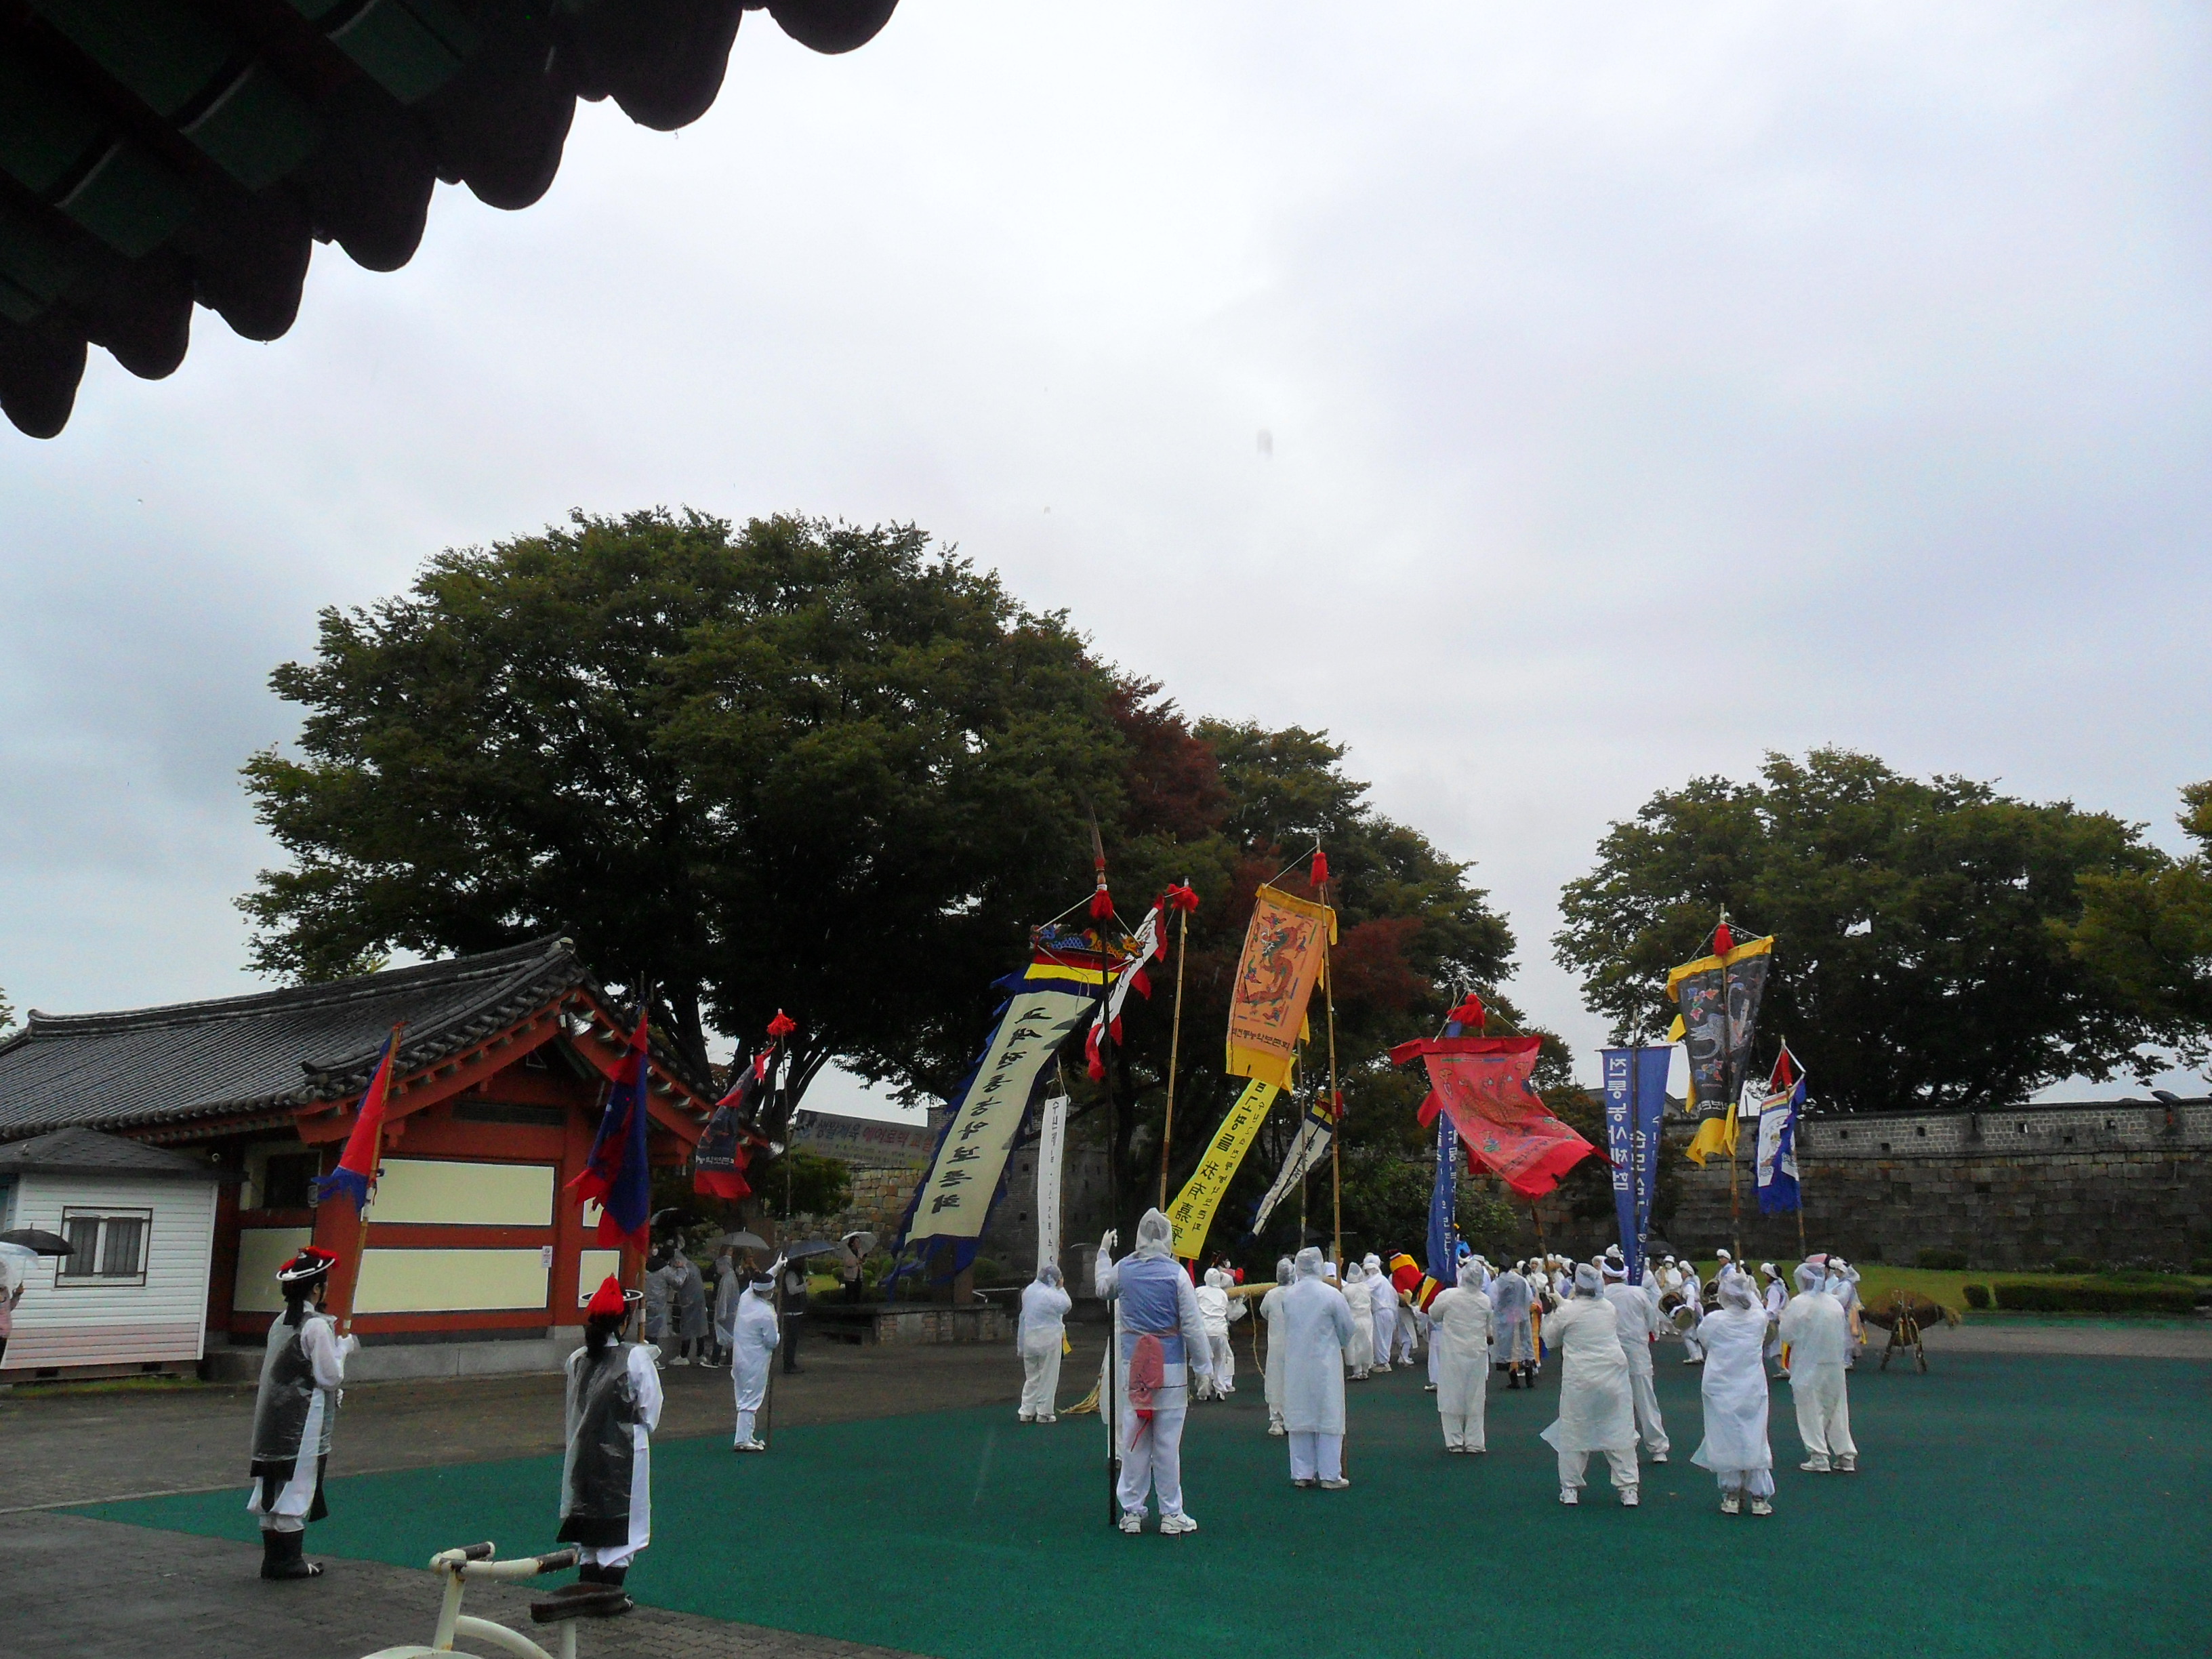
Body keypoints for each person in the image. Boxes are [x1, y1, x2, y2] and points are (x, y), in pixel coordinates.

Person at [1096, 1210, 1214, 1535]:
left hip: (1134, 1368)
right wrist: (1204, 1368)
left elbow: (1103, 1289)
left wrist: (1104, 1254)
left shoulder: (1123, 1269)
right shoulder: (1177, 1274)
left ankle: (1132, 1511)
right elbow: (1192, 1325)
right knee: (1166, 1445)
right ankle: (1171, 1513)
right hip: (1170, 1370)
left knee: (1135, 1441)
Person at [246, 1246, 354, 1580]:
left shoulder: (279, 1323)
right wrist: (343, 1349)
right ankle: (287, 1562)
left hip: (272, 1419)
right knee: (297, 1483)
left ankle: (275, 1560)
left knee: (274, 1485)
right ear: (317, 1289)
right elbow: (329, 1377)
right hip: (302, 1420)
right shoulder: (316, 1327)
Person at [556, 1276, 663, 1607]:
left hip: (585, 1448)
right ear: (624, 1321)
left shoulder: (577, 1358)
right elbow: (650, 1411)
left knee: (588, 1518)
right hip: (627, 1451)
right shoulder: (636, 1359)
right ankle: (608, 1596)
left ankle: (588, 1589)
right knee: (624, 1525)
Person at [1539, 1264, 1640, 1507]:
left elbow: (1551, 1339)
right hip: (1613, 1378)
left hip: (1581, 1380)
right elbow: (1584, 1313)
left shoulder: (1568, 1312)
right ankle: (1628, 1488)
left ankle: (1570, 1488)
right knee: (1618, 1429)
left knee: (1575, 1431)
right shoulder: (1608, 1308)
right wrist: (1562, 1304)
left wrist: (1551, 1312)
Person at [1690, 1273, 1775, 1515]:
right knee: (1754, 1436)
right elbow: (1759, 1312)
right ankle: (1759, 1496)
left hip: (1721, 1387)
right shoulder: (1758, 1319)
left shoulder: (1714, 1320)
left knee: (1724, 1436)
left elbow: (1704, 1340)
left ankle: (1731, 1493)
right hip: (1751, 1388)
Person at [1279, 1247, 1357, 1488]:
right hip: (1325, 1363)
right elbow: (1347, 1328)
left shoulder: (1289, 1296)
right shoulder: (1332, 1295)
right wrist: (1337, 1344)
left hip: (1296, 1362)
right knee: (1329, 1415)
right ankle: (1330, 1474)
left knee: (1300, 1414)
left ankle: (1302, 1472)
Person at [1779, 1263, 1858, 1473]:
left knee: (1810, 1409)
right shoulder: (1834, 1304)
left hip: (1808, 1364)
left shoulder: (1799, 1303)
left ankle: (1819, 1456)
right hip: (1834, 1363)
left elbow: (1786, 1333)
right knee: (1837, 1409)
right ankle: (1846, 1455)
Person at [1601, 1258, 1668, 1463]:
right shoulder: (1639, 1293)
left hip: (1611, 1356)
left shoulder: (1601, 1297)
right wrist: (1648, 1335)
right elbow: (1652, 1322)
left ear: (1604, 1276)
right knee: (1646, 1401)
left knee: (1616, 1402)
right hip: (1637, 1354)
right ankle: (1658, 1448)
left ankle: (1623, 1445)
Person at [1426, 1262, 1492, 1453]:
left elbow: (1434, 1314)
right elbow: (1488, 1327)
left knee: (1451, 1395)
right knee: (1475, 1397)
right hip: (1476, 1353)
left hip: (1453, 1353)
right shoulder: (1485, 1301)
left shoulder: (1448, 1296)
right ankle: (1474, 1442)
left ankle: (1454, 1441)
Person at [729, 1265, 780, 1450]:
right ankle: (742, 1439)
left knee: (744, 1396)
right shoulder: (766, 1313)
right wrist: (778, 1335)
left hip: (740, 1358)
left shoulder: (747, 1298)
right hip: (755, 1360)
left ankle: (747, 1435)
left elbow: (758, 1282)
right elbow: (772, 1341)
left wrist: (776, 1267)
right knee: (751, 1399)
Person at [1018, 1262, 1072, 1423]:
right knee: (1048, 1376)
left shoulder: (1028, 1291)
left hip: (1029, 1338)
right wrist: (1061, 1288)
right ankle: (1044, 1413)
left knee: (1032, 1377)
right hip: (1048, 1339)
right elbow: (1067, 1306)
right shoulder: (1051, 1294)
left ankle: (1026, 1411)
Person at [1261, 1256, 1296, 1435]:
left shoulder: (1271, 1295)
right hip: (1296, 1345)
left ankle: (1276, 1420)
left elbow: (1264, 1312)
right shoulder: (1298, 1293)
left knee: (1275, 1380)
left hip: (1276, 1345)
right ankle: (1293, 1419)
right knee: (1294, 1380)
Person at [1490, 1258, 1533, 1389]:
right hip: (1521, 1315)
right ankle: (1529, 1378)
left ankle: (1514, 1380)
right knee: (1524, 1344)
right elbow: (1529, 1298)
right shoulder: (1522, 1280)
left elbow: (1493, 1301)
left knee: (1509, 1346)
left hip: (1505, 1318)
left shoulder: (1497, 1283)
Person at [1195, 1268, 1236, 1399]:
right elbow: (1227, 1312)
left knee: (1204, 1360)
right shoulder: (1222, 1294)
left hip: (1204, 1331)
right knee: (1220, 1360)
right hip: (1220, 1331)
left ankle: (1204, 1390)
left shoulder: (1199, 1291)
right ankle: (1220, 1389)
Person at [671, 1246, 708, 1366]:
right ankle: (700, 1354)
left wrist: (670, 1280)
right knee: (700, 1328)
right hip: (699, 1301)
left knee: (687, 1329)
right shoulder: (694, 1266)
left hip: (688, 1303)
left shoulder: (683, 1270)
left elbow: (678, 1282)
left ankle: (684, 1356)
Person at [1339, 1260, 1376, 1379]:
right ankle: (1366, 1370)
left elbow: (1343, 1306)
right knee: (1367, 1343)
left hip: (1353, 1319)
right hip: (1367, 1319)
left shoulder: (1346, 1290)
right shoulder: (1366, 1287)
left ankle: (1357, 1371)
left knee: (1354, 1345)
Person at [1364, 1254, 1396, 1372]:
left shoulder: (1375, 1280)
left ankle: (1383, 1363)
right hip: (1390, 1311)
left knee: (1379, 1338)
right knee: (1386, 1337)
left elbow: (1363, 1289)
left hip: (1381, 1311)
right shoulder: (1384, 1280)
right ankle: (1384, 1361)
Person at [710, 1247, 741, 1369]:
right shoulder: (731, 1277)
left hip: (726, 1313)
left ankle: (715, 1360)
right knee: (730, 1337)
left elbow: (724, 1298)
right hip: (731, 1312)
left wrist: (721, 1314)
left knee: (720, 1337)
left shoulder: (726, 1280)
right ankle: (730, 1359)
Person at [779, 1254, 810, 1374]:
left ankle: (791, 1362)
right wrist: (805, 1285)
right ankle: (788, 1365)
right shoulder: (791, 1274)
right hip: (791, 1311)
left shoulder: (796, 1274)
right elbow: (792, 1290)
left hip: (796, 1310)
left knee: (793, 1339)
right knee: (790, 1340)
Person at [640, 1247, 672, 1358]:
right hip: (659, 1304)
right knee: (654, 1333)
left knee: (643, 1330)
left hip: (645, 1302)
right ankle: (652, 1358)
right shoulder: (665, 1269)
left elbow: (638, 1280)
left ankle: (643, 1355)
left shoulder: (645, 1265)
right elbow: (677, 1282)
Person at [1760, 1263, 1789, 1377]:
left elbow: (1773, 1308)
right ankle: (1784, 1368)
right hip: (1782, 1319)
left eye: (1766, 1275)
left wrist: (1765, 1317)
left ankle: (1785, 1368)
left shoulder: (1774, 1289)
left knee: (1775, 1346)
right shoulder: (1780, 1286)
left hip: (1777, 1321)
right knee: (1778, 1346)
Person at [1677, 1258, 1706, 1364]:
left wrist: (1688, 1311)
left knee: (1687, 1334)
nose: (1682, 1273)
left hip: (1692, 1309)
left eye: (1683, 1271)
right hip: (1696, 1308)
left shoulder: (1689, 1285)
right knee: (1694, 1334)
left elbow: (1690, 1297)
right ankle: (1699, 1355)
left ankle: (1694, 1356)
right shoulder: (1690, 1283)